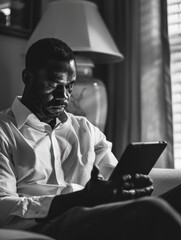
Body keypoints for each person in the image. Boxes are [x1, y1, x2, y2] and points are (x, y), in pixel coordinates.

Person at [0, 38, 181, 240]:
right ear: (27, 77)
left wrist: (128, 186)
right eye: (53, 84)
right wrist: (81, 199)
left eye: (69, 86)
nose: (63, 96)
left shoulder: (84, 129)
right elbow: (3, 207)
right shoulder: (4, 131)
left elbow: (113, 175)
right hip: (45, 225)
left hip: (99, 215)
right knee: (150, 210)